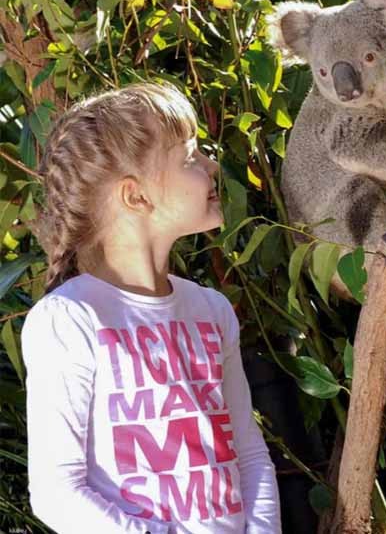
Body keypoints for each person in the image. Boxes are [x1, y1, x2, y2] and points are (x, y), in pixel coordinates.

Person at [21, 83, 281, 533]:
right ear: (136, 197)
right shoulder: (69, 320)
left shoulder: (211, 310)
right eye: (190, 157)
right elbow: (56, 492)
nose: (212, 165)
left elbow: (250, 454)